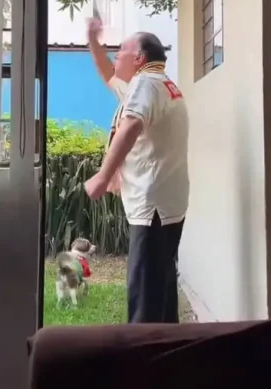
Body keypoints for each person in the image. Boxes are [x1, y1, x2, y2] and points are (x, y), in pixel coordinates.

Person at [84, 17, 189, 324]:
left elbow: (130, 126)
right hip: (166, 205)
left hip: (152, 207)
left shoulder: (145, 84)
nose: (116, 55)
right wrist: (93, 42)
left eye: (121, 50)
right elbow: (108, 74)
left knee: (145, 298)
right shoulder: (157, 84)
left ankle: (143, 352)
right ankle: (167, 349)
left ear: (140, 58)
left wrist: (103, 177)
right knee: (161, 289)